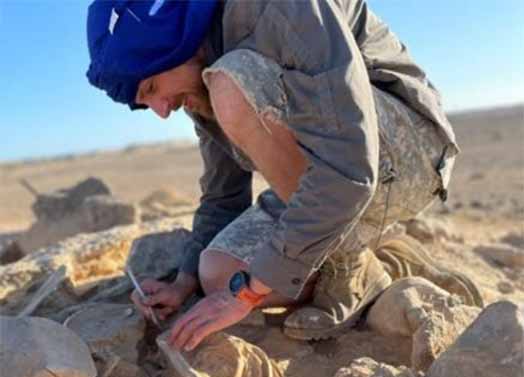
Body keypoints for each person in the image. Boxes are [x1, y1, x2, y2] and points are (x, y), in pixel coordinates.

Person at [86, 0, 468, 351]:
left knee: (231, 84)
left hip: (405, 156)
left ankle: (348, 268)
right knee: (217, 275)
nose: (161, 110)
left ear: (172, 38)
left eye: (152, 88)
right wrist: (184, 282)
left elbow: (350, 164)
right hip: (331, 174)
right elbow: (224, 194)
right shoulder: (195, 69)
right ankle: (353, 258)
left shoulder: (278, 9)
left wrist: (250, 292)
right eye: (145, 103)